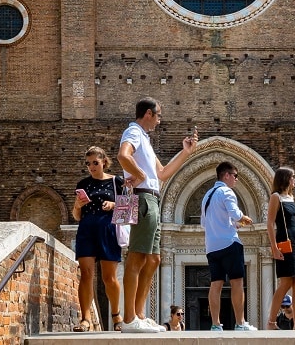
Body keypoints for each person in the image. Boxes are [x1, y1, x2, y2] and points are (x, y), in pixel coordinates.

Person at [117, 98, 198, 333]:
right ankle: (129, 319)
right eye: (159, 115)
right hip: (143, 198)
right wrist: (140, 174)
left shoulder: (145, 139)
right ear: (149, 113)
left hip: (152, 199)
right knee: (137, 257)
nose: (160, 120)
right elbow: (123, 155)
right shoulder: (133, 132)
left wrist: (186, 152)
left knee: (153, 259)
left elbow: (162, 173)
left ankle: (139, 314)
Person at [71, 146, 124, 332]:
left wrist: (114, 204)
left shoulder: (117, 181)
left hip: (108, 230)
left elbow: (129, 210)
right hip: (86, 229)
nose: (92, 167)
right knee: (86, 274)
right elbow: (77, 216)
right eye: (88, 164)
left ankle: (116, 315)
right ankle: (85, 319)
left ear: (104, 162)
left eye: (95, 162)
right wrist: (77, 206)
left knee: (109, 277)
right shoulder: (82, 184)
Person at [201, 161, 257, 332]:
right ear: (226, 175)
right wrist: (244, 218)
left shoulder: (207, 195)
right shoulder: (226, 191)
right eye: (235, 176)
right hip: (229, 243)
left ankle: (215, 324)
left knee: (215, 284)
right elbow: (235, 213)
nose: (236, 179)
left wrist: (234, 224)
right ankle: (240, 323)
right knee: (237, 282)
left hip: (212, 247)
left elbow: (204, 223)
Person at [265, 166, 295, 329]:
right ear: (285, 179)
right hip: (284, 240)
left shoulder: (290, 197)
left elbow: (291, 219)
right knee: (286, 283)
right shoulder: (276, 197)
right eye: (292, 177)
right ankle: (271, 322)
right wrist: (274, 248)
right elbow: (270, 223)